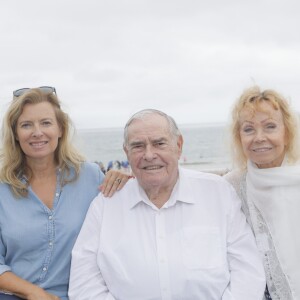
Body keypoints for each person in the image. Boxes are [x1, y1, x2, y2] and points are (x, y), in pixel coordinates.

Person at [69, 109, 266, 300]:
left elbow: (247, 270)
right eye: (138, 146)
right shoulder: (107, 203)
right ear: (126, 152)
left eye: (159, 143)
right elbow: (84, 282)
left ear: (178, 145)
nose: (149, 155)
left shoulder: (217, 192)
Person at [0, 87, 129, 300]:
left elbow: (118, 234)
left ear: (61, 129)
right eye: (26, 125)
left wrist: (125, 180)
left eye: (46, 122)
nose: (37, 132)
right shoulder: (2, 187)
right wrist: (33, 292)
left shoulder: (91, 176)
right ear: (15, 133)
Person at [224, 86, 300, 300]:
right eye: (248, 129)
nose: (259, 137)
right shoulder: (232, 186)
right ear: (239, 137)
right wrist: (126, 180)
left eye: (270, 127)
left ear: (287, 133)